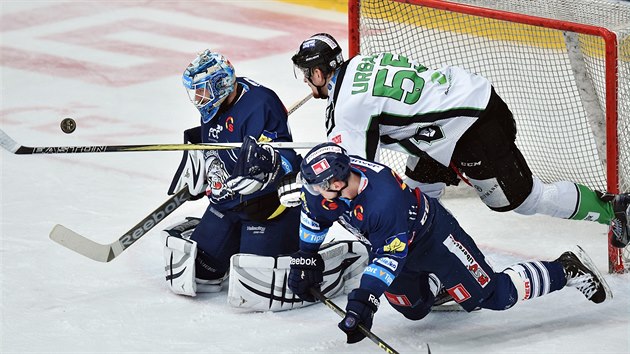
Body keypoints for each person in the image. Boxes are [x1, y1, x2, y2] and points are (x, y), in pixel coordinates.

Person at [285, 33, 630, 249]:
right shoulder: (360, 63)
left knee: (524, 200)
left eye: (306, 73)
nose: (305, 80)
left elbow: (351, 173)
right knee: (417, 188)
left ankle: (613, 209)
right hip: (454, 113)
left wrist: (301, 182)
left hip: (472, 127)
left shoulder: (346, 108)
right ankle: (433, 254)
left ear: (318, 73)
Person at [288, 142, 612, 344]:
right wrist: (306, 257)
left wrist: (364, 299)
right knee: (413, 311)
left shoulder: (384, 201)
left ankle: (566, 269)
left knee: (495, 296)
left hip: (434, 238)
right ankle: (442, 282)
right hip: (396, 246)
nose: (313, 193)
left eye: (319, 187)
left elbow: (387, 259)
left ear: (339, 180)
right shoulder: (328, 190)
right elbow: (314, 218)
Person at [161, 50, 367, 312]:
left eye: (202, 91)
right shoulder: (214, 104)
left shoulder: (261, 104)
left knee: (259, 284)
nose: (198, 99)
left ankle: (340, 260)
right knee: (202, 274)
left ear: (220, 85)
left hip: (267, 209)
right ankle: (231, 243)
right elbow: (215, 140)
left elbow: (288, 160)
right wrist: (201, 161)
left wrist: (269, 166)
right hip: (227, 204)